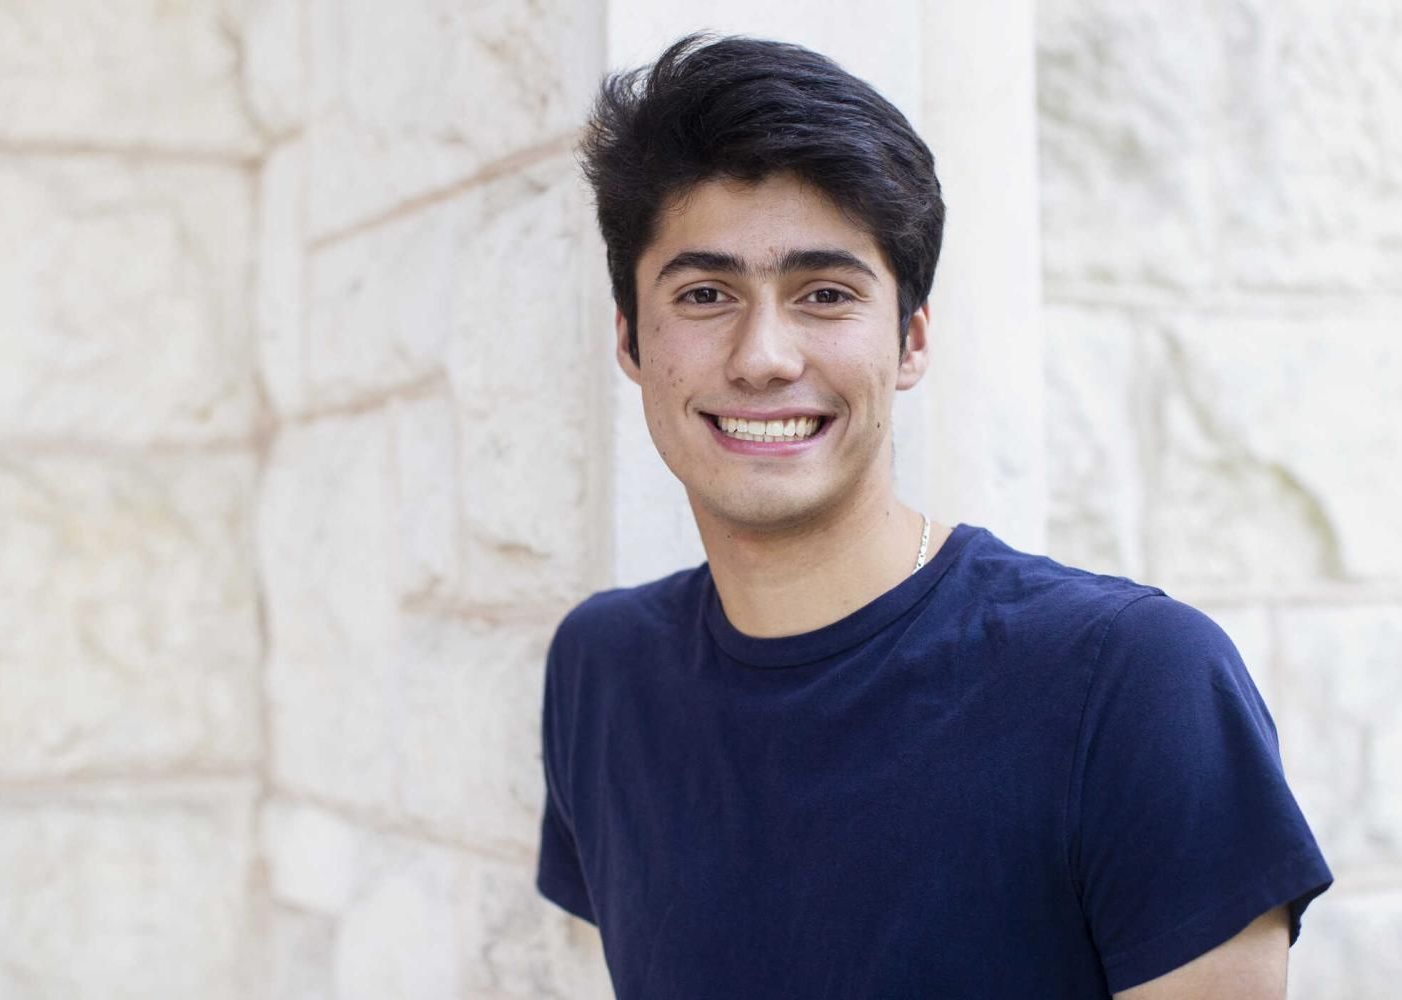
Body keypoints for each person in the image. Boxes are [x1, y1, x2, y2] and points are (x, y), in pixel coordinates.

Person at [535, 34, 1331, 998]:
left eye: (825, 294)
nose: (764, 356)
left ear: (912, 340)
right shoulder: (602, 670)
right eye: (706, 294)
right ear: (629, 336)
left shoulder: (1133, 684)